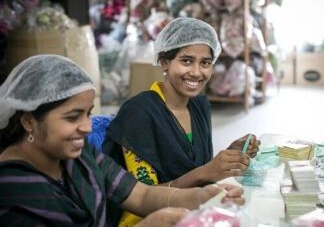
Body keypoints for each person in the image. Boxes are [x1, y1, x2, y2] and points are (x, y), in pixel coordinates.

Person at [0, 55, 245, 226]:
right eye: (72, 117)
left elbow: (140, 195)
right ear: (29, 121)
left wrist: (200, 198)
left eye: (88, 114)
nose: (86, 127)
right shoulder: (13, 188)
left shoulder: (78, 155)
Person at [102, 17, 259, 225]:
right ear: (165, 62)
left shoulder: (199, 106)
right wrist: (207, 171)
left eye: (205, 63)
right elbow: (143, 196)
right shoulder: (139, 113)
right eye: (186, 61)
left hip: (196, 209)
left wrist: (228, 157)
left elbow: (195, 165)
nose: (196, 72)